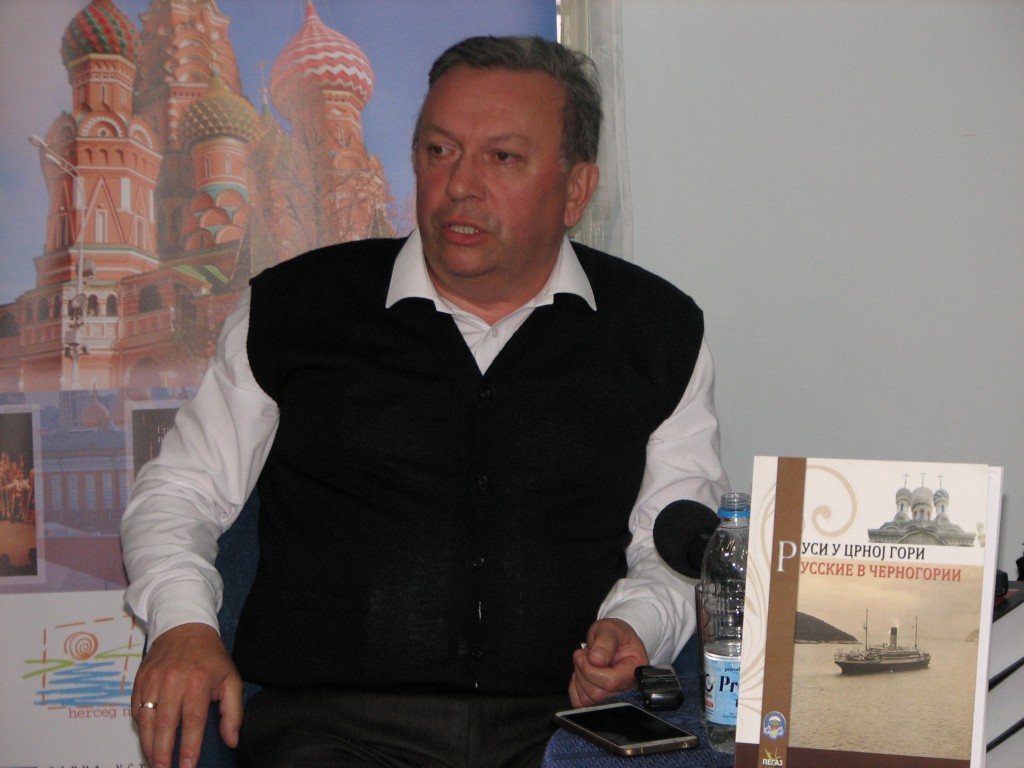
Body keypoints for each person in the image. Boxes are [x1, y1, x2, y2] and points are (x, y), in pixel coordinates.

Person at [121, 35, 728, 768]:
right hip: (334, 730)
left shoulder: (656, 332)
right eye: (440, 151)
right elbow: (179, 493)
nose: (460, 185)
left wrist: (636, 629)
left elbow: (677, 541)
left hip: (566, 729)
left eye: (502, 157)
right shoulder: (298, 310)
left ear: (576, 188)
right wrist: (183, 625)